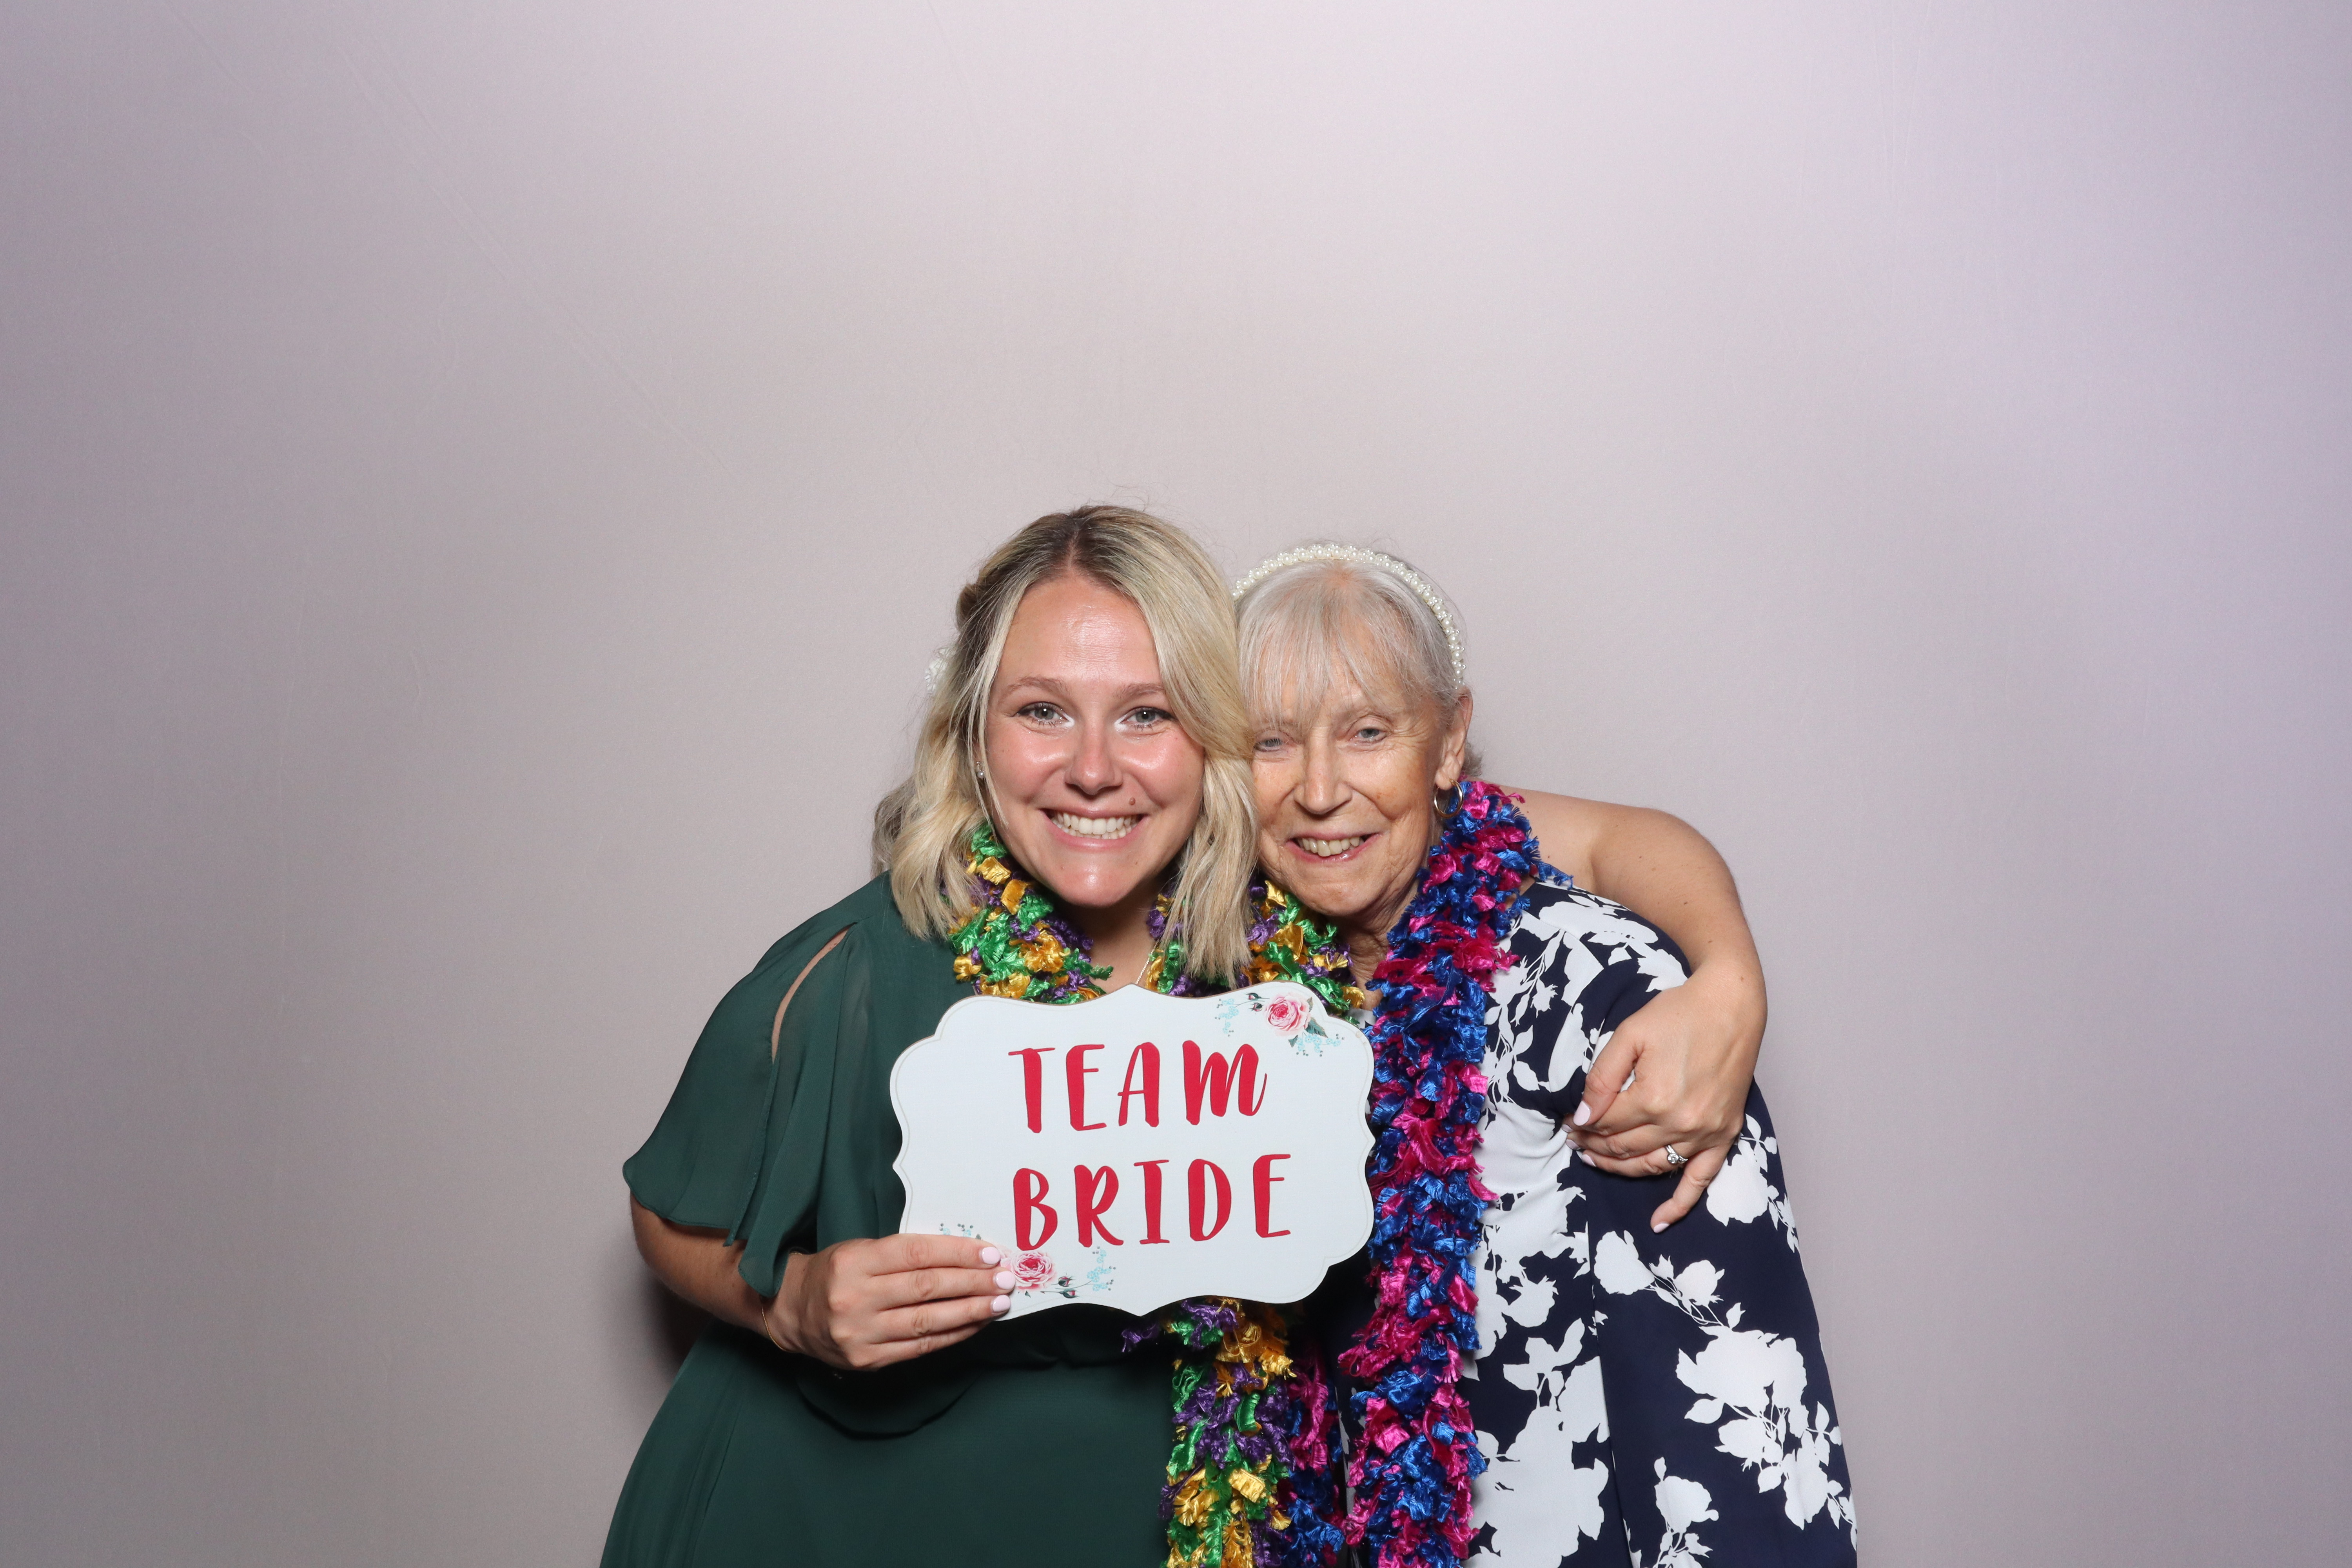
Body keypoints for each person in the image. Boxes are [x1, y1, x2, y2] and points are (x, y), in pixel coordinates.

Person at [604, 506, 1785, 1568]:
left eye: (1148, 717)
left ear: (1207, 746)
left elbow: (1582, 832)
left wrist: (1729, 977)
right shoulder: (867, 962)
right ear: (972, 732)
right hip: (835, 1518)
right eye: (1041, 712)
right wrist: (791, 1305)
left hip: (1149, 1521)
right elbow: (666, 1208)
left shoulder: (1262, 930)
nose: (1093, 770)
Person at [1235, 544, 1857, 1568]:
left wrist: (1732, 975)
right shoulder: (1241, 990)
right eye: (1269, 741)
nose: (1318, 788)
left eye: (1368, 733)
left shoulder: (1596, 990)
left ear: (1448, 744)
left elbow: (1736, 1396)